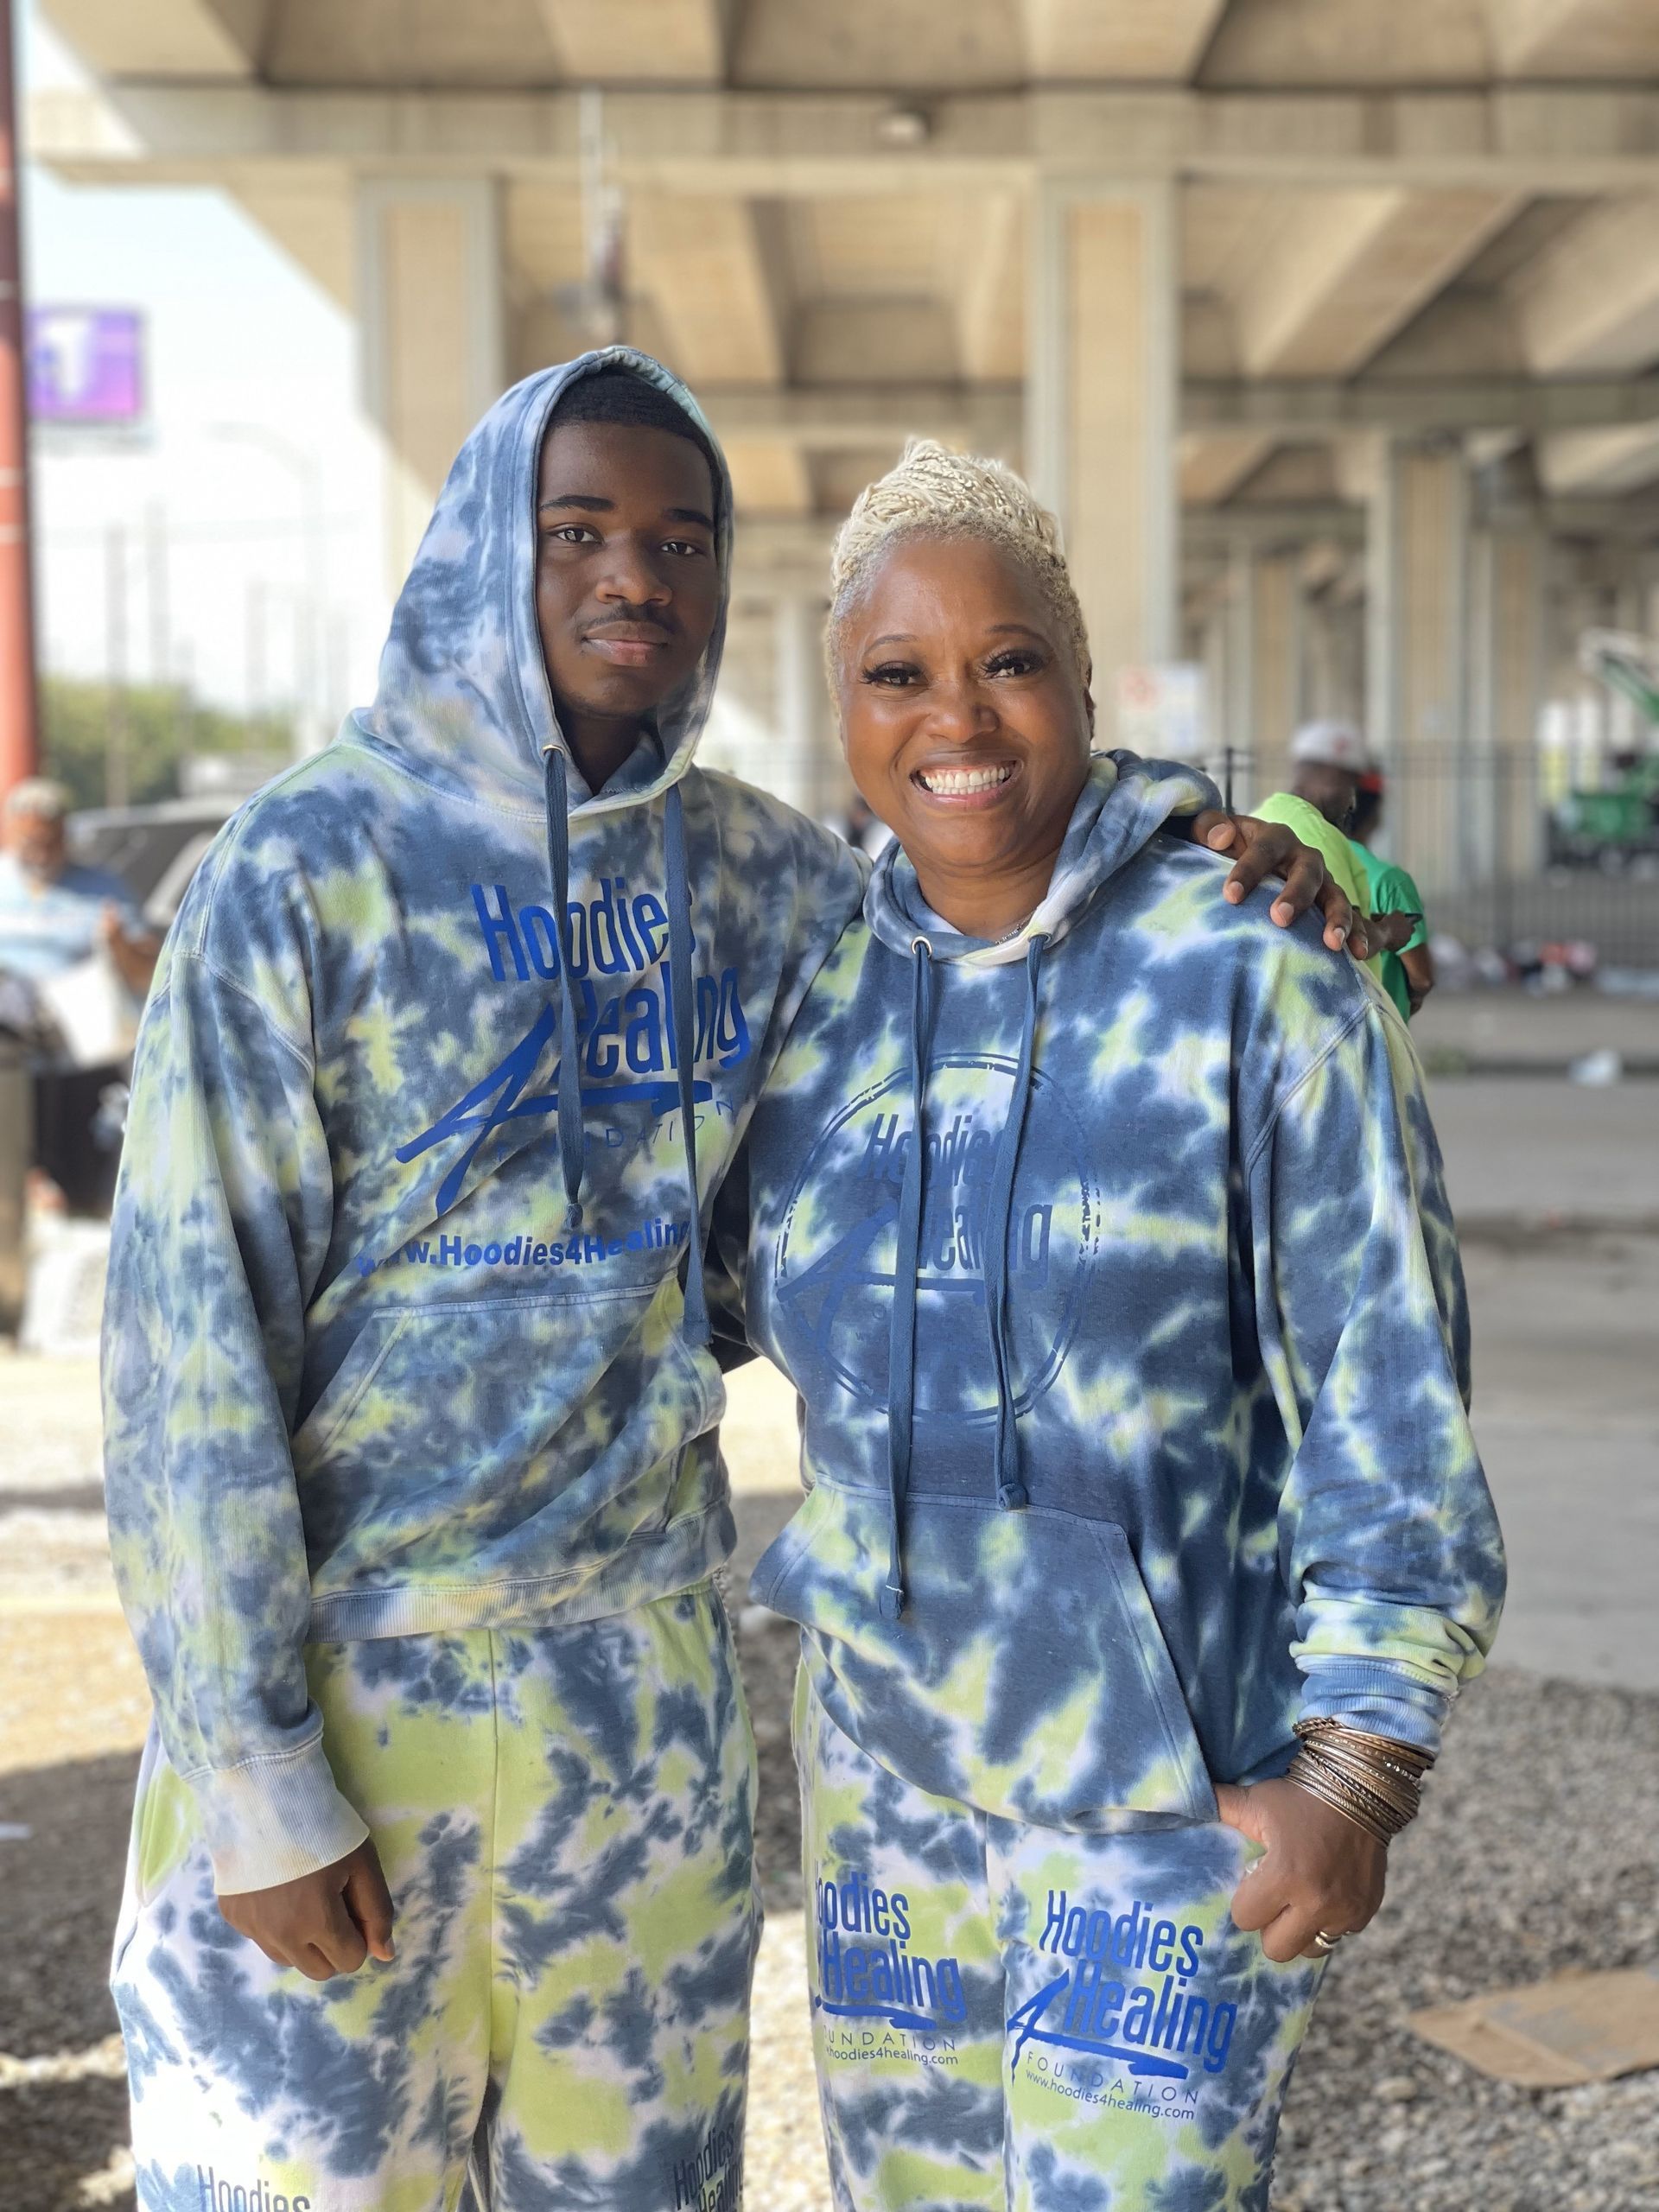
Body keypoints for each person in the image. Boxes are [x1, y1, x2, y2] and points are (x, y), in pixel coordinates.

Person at [100, 354, 1355, 2212]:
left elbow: (987, 845)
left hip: (644, 1701)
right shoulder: (300, 870)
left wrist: (1227, 844)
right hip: (361, 1689)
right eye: (580, 530)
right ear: (477, 553)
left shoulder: (755, 879)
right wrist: (253, 1769)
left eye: (681, 538)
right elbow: (184, 1346)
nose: (638, 576)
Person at [722, 444, 1504, 2211]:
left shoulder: (1256, 967)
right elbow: (691, 1296)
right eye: (897, 671)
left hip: (1175, 1808)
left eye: (1009, 657)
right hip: (886, 1816)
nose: (959, 713)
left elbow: (1391, 1392)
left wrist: (1360, 1767)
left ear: (1078, 679)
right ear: (840, 705)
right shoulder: (804, 1001)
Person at [0, 775, 159, 1213]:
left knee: (81, 1177)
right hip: (10, 1062)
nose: (39, 853)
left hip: (80, 1059)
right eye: (29, 841)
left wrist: (119, 946)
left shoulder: (101, 889)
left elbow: (147, 970)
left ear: (65, 836)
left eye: (49, 842)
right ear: (12, 833)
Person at [1351, 770, 1434, 1019]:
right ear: (1375, 815)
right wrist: (1416, 994)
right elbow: (1422, 976)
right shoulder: (1389, 880)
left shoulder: (1311, 864)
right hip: (1383, 1023)